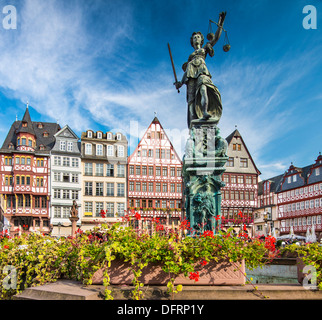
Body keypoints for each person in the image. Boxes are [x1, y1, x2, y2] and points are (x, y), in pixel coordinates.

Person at [175, 12, 226, 128]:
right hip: (191, 76)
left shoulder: (204, 49)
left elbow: (216, 38)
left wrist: (220, 23)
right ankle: (193, 126)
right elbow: (187, 73)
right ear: (192, 41)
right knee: (191, 101)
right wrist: (180, 83)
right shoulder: (190, 59)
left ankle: (204, 112)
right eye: (194, 38)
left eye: (198, 37)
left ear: (201, 40)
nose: (196, 39)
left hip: (202, 72)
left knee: (204, 88)